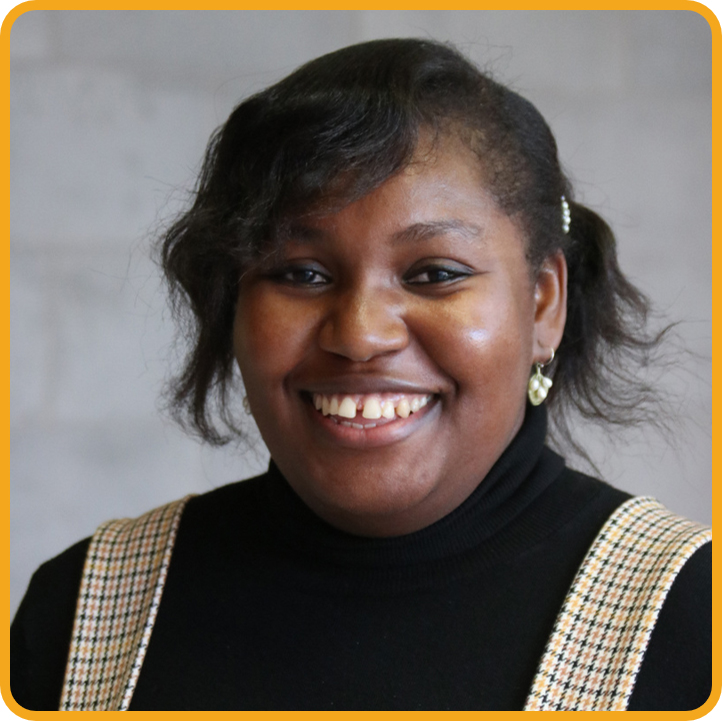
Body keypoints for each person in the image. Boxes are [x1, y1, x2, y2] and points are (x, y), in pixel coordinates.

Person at [10, 38, 711, 712]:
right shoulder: (83, 612)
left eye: (434, 274)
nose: (359, 334)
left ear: (543, 302)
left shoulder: (690, 617)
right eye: (300, 273)